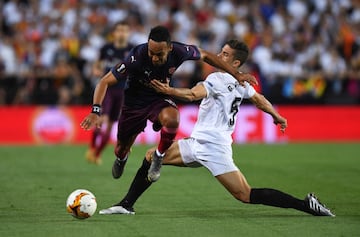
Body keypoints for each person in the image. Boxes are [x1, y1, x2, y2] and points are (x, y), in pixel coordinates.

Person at [98, 39, 335, 217]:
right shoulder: (241, 83)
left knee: (245, 195)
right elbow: (259, 99)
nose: (218, 56)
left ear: (235, 63)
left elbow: (192, 94)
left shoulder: (217, 79)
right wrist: (277, 116)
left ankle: (306, 205)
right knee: (151, 156)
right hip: (196, 143)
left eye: (224, 54)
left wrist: (168, 91)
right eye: (220, 51)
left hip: (214, 148)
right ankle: (126, 205)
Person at [80, 26, 257, 179]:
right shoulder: (136, 57)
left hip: (159, 98)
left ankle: (158, 156)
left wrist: (237, 74)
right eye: (151, 53)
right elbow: (104, 81)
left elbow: (206, 55)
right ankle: (122, 157)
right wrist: (96, 111)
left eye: (159, 54)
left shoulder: (180, 51)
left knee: (173, 118)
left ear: (170, 48)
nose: (154, 58)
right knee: (121, 148)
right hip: (134, 104)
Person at [85, 21, 133, 165]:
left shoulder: (132, 50)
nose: (122, 33)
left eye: (124, 30)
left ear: (128, 33)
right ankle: (92, 148)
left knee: (111, 125)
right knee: (102, 120)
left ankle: (97, 154)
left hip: (123, 92)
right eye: (119, 30)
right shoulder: (106, 48)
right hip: (108, 90)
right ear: (114, 33)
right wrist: (96, 70)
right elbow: (97, 64)